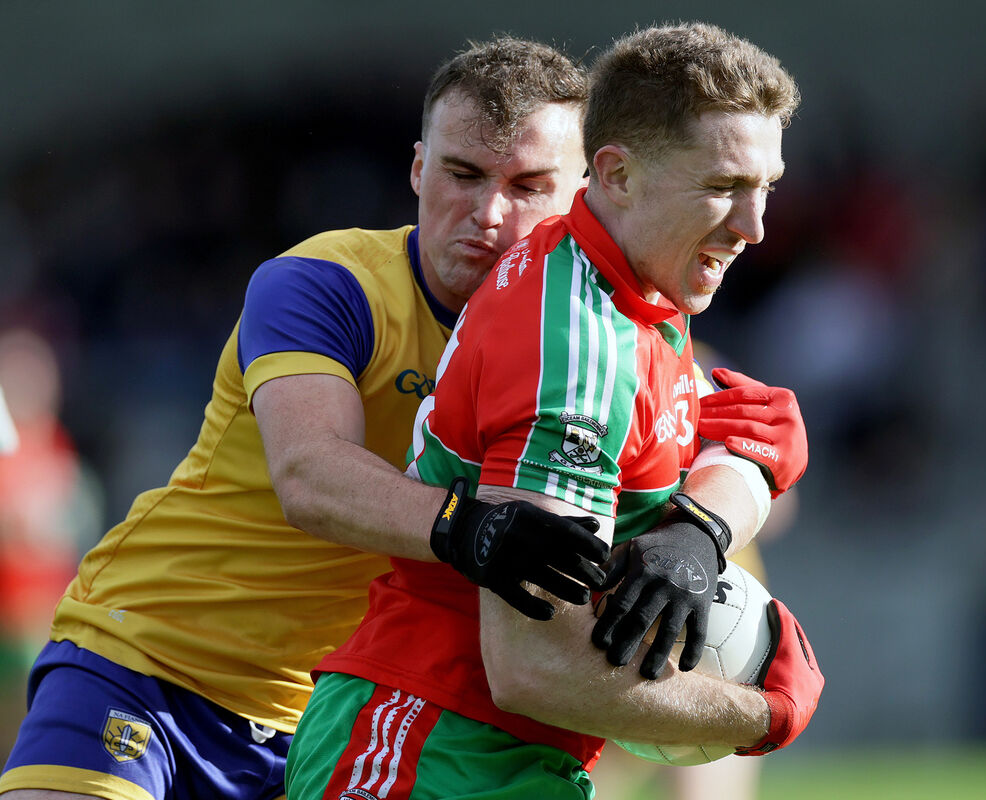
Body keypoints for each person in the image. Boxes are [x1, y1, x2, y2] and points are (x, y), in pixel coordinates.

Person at [0, 35, 799, 800]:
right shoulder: (325, 282)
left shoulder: (582, 327)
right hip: (154, 657)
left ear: (583, 191)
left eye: (526, 188)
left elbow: (753, 430)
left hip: (324, 714)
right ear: (416, 171)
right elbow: (310, 478)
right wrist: (471, 527)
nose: (489, 214)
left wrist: (701, 527)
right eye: (462, 173)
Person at [286, 22, 823, 800]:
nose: (754, 227)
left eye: (763, 187)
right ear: (617, 175)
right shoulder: (574, 353)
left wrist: (698, 533)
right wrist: (765, 713)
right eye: (721, 188)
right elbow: (531, 669)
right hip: (427, 748)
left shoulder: (637, 290)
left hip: (495, 753)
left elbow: (758, 426)